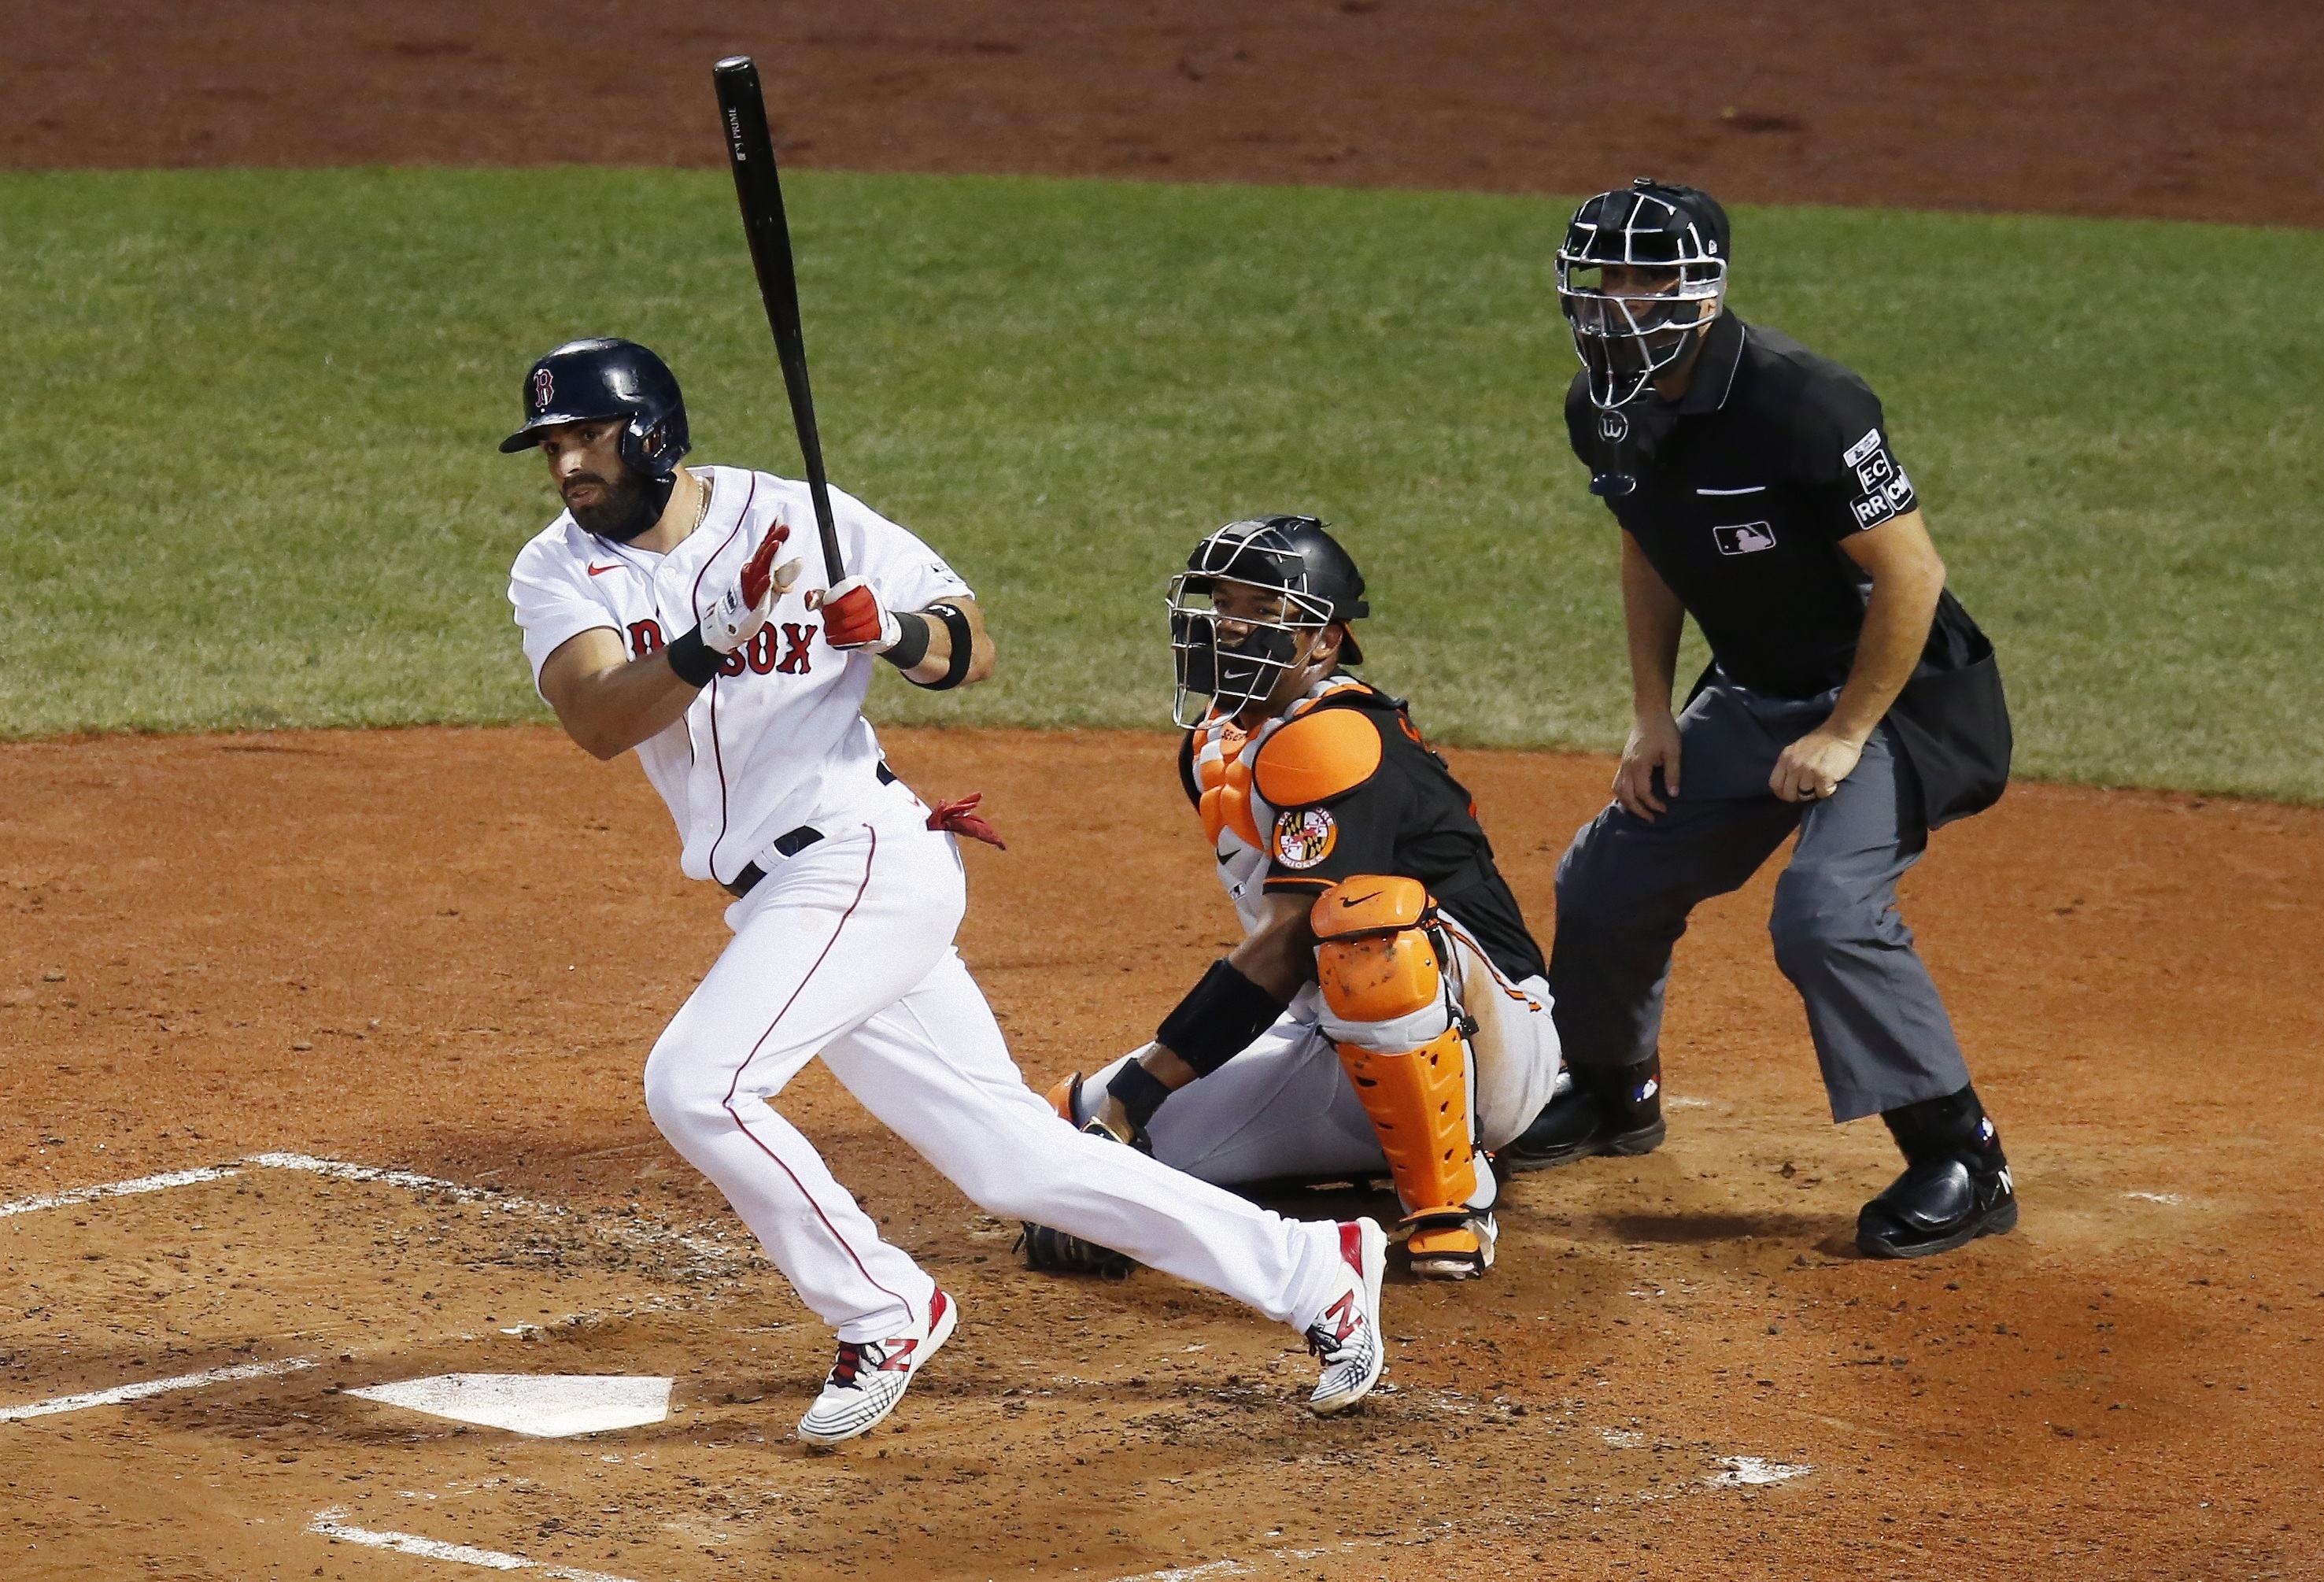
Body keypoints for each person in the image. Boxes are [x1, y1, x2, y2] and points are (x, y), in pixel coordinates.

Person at [500, 338, 1387, 1441]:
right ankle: (1316, 1265)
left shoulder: (803, 518)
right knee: (1010, 1157)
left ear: (651, 433)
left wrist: (894, 630)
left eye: (585, 437)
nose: (566, 465)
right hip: (783, 891)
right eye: (550, 445)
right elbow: (596, 719)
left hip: (864, 855)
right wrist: (710, 638)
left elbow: (970, 644)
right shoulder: (556, 566)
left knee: (697, 1083)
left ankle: (882, 1306)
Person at [1499, 182, 2019, 1260]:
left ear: (1702, 291)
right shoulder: (1596, 405)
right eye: (1604, 280)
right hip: (1756, 685)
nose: (1620, 304)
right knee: (1606, 875)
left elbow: (1910, 578)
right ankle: (1610, 1089)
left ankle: (1958, 1155)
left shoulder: (1804, 403)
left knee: (1823, 912)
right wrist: (1651, 710)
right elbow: (1649, 543)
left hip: (1900, 696)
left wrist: (1841, 732)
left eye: (1650, 279)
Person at [1025, 517, 1558, 1282]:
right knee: (1067, 1143)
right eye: (1222, 603)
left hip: (1491, 1041)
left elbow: (1284, 943)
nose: (1231, 625)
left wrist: (1137, 1092)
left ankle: (1450, 1207)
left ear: (1323, 643)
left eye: (1261, 608)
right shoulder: (1219, 746)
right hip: (1341, 1049)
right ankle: (1322, 1166)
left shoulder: (1337, 736)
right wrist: (1111, 1119)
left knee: (1362, 929)